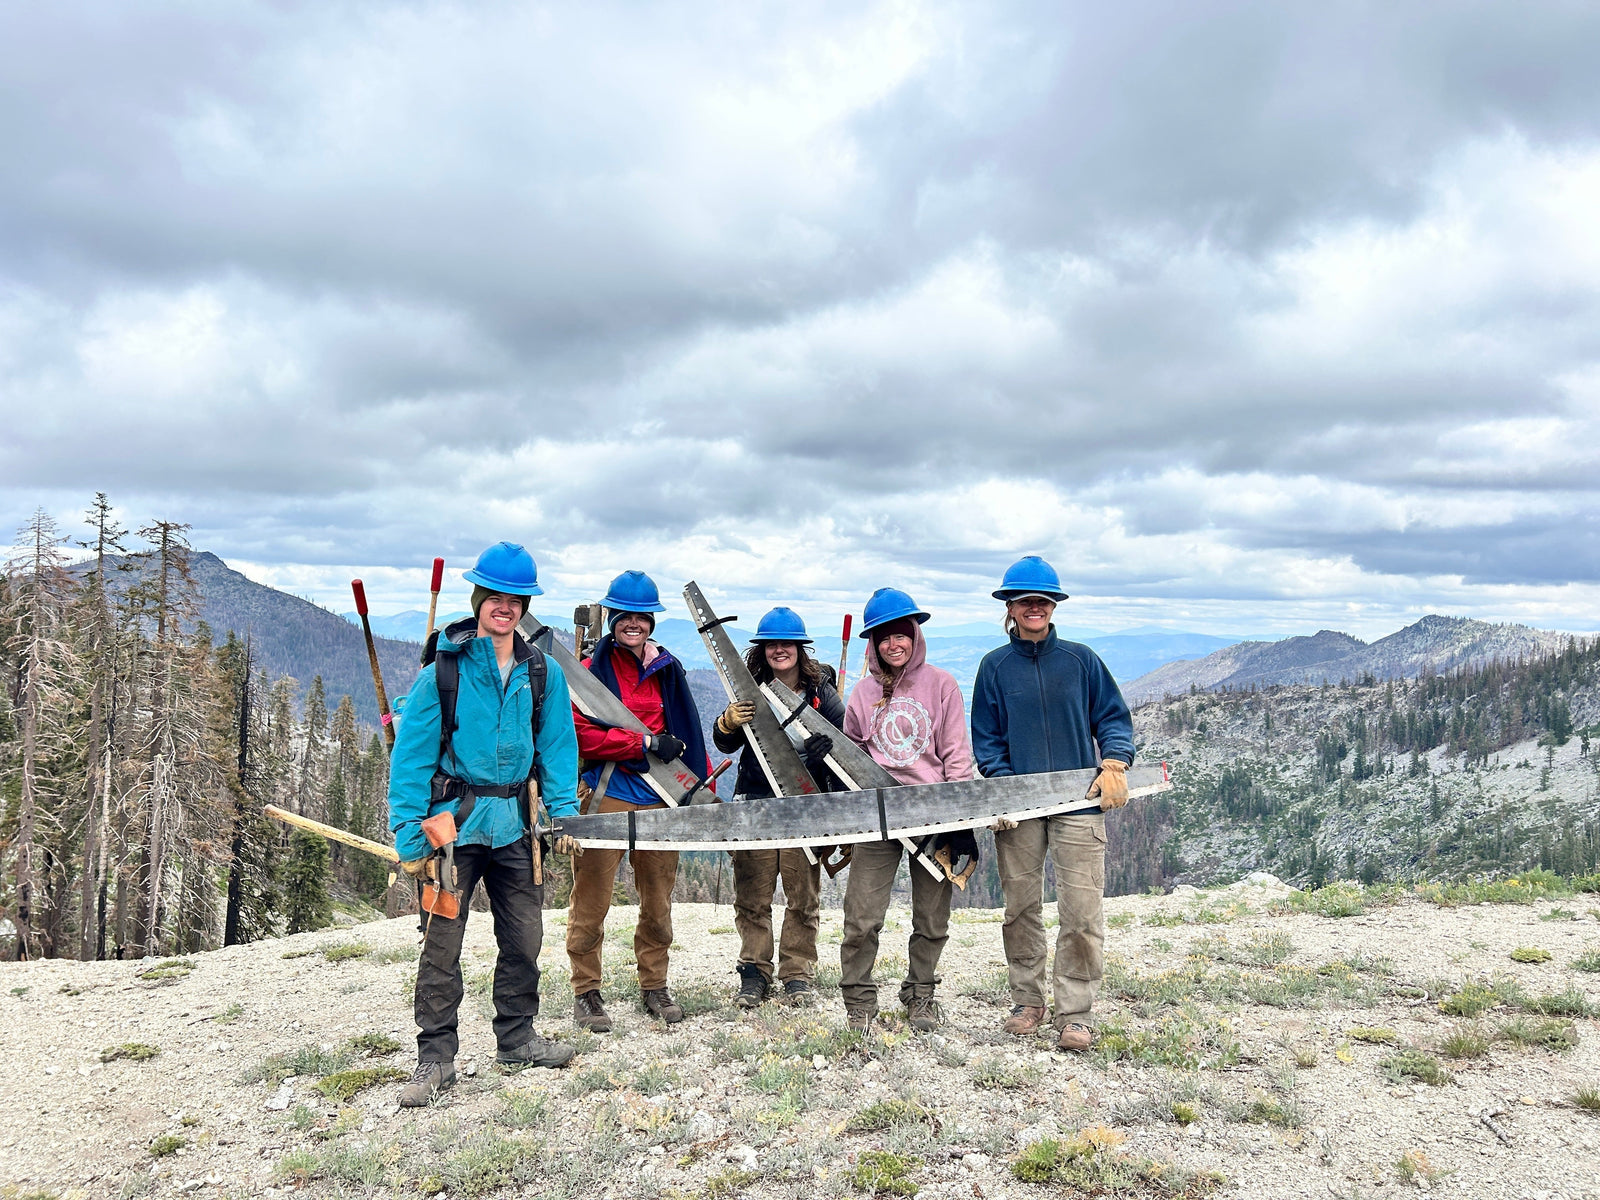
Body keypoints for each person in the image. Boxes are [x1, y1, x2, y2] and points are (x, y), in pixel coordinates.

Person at [388, 542, 583, 1107]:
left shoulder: (540, 672)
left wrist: (562, 810)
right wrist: (407, 830)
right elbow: (413, 758)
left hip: (516, 828)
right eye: (495, 596)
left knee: (525, 937)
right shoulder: (443, 672)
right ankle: (436, 1058)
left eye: (516, 598)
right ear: (478, 600)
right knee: (442, 945)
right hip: (452, 831)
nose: (505, 606)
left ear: (525, 605)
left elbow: (557, 745)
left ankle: (517, 1039)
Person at [970, 555, 1134, 1053]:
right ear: (1011, 608)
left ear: (1053, 606)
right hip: (1019, 808)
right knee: (1020, 908)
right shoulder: (994, 667)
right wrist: (1006, 785)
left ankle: (1075, 1013)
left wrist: (1114, 761)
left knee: (1081, 910)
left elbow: (1111, 716)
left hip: (1080, 804)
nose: (1034, 607)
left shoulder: (1081, 661)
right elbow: (986, 739)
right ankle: (1028, 1000)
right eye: (1025, 600)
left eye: (1042, 600)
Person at [566, 570, 712, 1031]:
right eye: (625, 615)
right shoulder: (590, 674)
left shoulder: (666, 669)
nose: (634, 623)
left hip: (660, 798)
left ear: (651, 621)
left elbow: (686, 727)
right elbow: (582, 735)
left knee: (658, 899)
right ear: (613, 618)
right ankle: (586, 991)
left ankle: (655, 984)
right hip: (608, 794)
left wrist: (695, 785)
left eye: (642, 616)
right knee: (591, 899)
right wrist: (644, 744)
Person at [838, 587, 975, 1032]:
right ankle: (858, 1000)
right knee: (862, 915)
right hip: (876, 812)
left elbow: (955, 753)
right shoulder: (862, 694)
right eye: (884, 638)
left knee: (932, 916)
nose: (894, 645)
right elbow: (853, 756)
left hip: (933, 811)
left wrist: (963, 821)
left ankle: (921, 994)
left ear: (915, 637)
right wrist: (829, 753)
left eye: (902, 635)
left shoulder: (941, 684)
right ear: (873, 644)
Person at [711, 607, 843, 1009]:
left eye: (787, 644)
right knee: (752, 894)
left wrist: (827, 752)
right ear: (763, 649)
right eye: (772, 644)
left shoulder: (823, 694)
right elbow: (725, 745)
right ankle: (753, 973)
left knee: (803, 897)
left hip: (806, 806)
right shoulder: (749, 688)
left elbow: (845, 745)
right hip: (757, 804)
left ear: (800, 649)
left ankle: (797, 974)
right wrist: (727, 722)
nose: (779, 650)